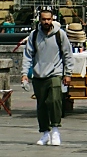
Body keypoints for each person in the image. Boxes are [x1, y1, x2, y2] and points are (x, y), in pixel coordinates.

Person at [21, 8, 74, 146]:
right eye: (44, 19)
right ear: (40, 20)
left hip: (55, 73)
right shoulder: (34, 35)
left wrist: (68, 73)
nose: (46, 22)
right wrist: (24, 74)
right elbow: (28, 56)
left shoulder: (60, 34)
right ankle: (45, 133)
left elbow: (68, 54)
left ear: (52, 19)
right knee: (42, 105)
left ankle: (55, 129)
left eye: (48, 19)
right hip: (39, 75)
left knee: (55, 100)